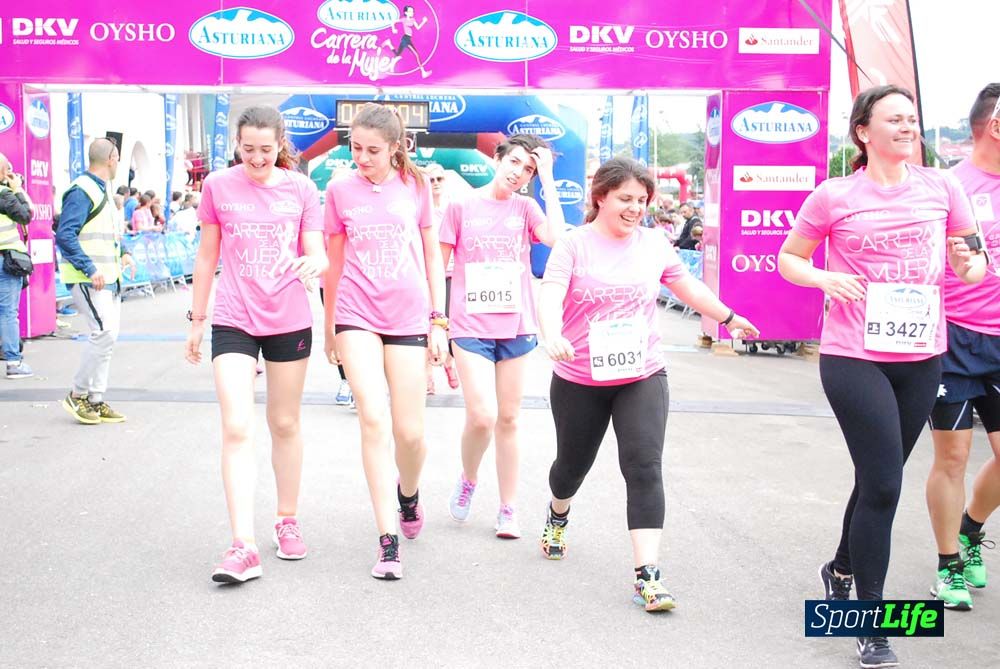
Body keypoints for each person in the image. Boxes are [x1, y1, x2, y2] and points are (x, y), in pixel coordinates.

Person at [777, 84, 986, 668]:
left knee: (879, 476)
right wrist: (823, 280)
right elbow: (789, 258)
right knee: (887, 486)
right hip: (852, 354)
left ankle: (839, 569)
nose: (907, 127)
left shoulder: (942, 186)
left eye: (912, 119)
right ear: (863, 132)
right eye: (894, 119)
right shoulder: (834, 195)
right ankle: (871, 623)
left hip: (921, 352)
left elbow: (972, 258)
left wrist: (972, 264)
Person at [537, 157, 759, 612]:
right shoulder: (574, 245)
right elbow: (551, 292)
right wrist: (552, 333)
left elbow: (687, 286)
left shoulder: (655, 243)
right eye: (626, 199)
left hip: (641, 372)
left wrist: (729, 318)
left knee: (643, 466)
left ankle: (647, 575)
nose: (636, 208)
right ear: (601, 197)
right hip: (581, 375)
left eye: (642, 200)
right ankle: (558, 512)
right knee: (570, 468)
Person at [185, 105, 327, 584]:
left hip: (289, 317)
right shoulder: (218, 186)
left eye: (267, 150)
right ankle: (242, 545)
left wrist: (316, 264)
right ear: (237, 145)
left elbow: (317, 250)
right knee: (236, 425)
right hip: (234, 317)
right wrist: (196, 321)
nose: (258, 158)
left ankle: (287, 518)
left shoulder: (302, 189)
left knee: (284, 422)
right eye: (248, 150)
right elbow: (207, 256)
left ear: (280, 145)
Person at [323, 103, 447, 580]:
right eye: (355, 148)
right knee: (373, 418)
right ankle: (386, 538)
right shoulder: (338, 189)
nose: (362, 158)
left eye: (373, 150)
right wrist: (331, 324)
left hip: (409, 316)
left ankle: (409, 494)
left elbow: (433, 256)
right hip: (356, 314)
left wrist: (439, 319)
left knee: (410, 433)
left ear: (397, 148)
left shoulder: (415, 187)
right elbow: (333, 262)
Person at [439, 134, 565, 538]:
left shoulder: (526, 207)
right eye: (514, 162)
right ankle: (469, 478)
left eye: (527, 169)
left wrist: (546, 174)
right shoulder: (460, 206)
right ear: (497, 158)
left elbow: (557, 238)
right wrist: (435, 324)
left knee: (508, 418)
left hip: (516, 324)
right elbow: (437, 267)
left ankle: (508, 507)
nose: (518, 173)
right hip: (470, 324)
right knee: (482, 415)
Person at [925, 83, 1000, 611]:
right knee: (953, 455)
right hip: (953, 337)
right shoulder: (949, 186)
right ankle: (948, 562)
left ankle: (972, 530)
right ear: (996, 125)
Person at [56, 138, 137, 424]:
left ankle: (96, 398)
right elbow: (65, 234)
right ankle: (78, 395)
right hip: (89, 279)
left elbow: (107, 234)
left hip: (106, 278)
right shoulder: (82, 190)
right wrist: (89, 269)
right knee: (102, 335)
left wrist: (124, 254)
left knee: (106, 338)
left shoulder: (101, 189)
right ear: (112, 159)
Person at [423, 163, 459, 395]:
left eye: (439, 179)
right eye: (431, 179)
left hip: (451, 275)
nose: (435, 183)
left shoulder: (453, 208)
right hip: (425, 276)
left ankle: (448, 362)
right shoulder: (419, 208)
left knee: (448, 327)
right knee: (424, 327)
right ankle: (426, 376)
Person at [0, 153, 34, 378]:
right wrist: (18, 188)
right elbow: (26, 214)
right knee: (8, 312)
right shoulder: (4, 194)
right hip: (6, 260)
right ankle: (13, 362)